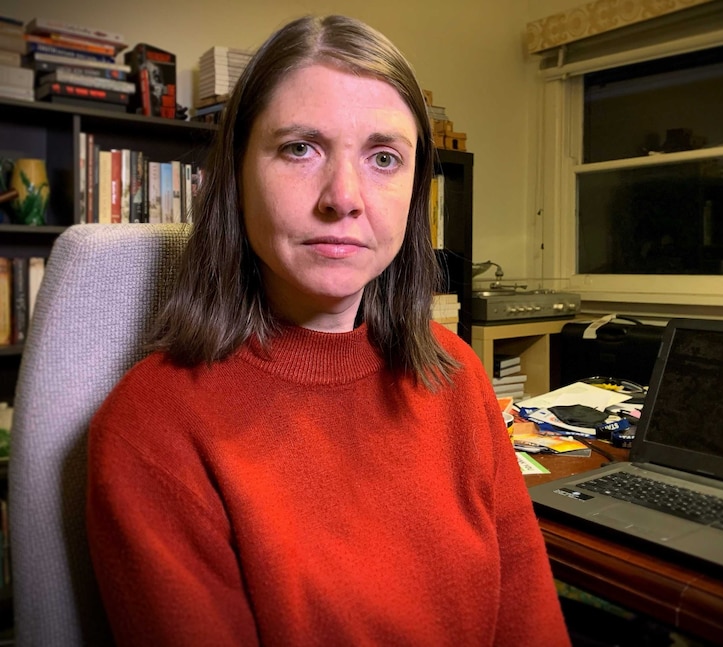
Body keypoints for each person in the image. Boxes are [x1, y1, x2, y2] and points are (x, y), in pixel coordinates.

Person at [86, 14, 571, 646]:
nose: (344, 197)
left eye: (384, 157)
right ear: (235, 176)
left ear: (416, 193)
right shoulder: (151, 427)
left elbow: (530, 622)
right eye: (299, 148)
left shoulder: (454, 372)